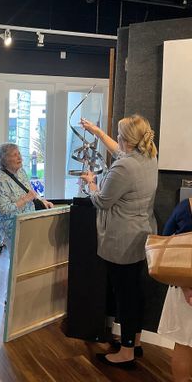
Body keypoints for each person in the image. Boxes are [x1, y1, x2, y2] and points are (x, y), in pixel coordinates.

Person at [80, 114, 158, 369]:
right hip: (141, 234)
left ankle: (125, 353)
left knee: (125, 296)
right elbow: (119, 150)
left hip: (122, 240)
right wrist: (97, 132)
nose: (117, 138)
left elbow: (102, 201)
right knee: (134, 291)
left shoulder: (124, 167)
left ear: (127, 139)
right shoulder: (148, 155)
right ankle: (134, 342)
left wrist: (91, 184)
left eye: (119, 134)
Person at [0, 143, 53, 252]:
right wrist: (24, 200)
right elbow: (3, 210)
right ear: (5, 159)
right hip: (12, 230)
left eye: (19, 153)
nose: (19, 157)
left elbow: (30, 191)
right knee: (18, 261)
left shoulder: (21, 172)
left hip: (29, 224)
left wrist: (42, 201)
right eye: (14, 155)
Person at [158, 198, 192, 382]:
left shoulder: (186, 206)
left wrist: (186, 286)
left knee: (184, 345)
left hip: (183, 285)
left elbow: (165, 241)